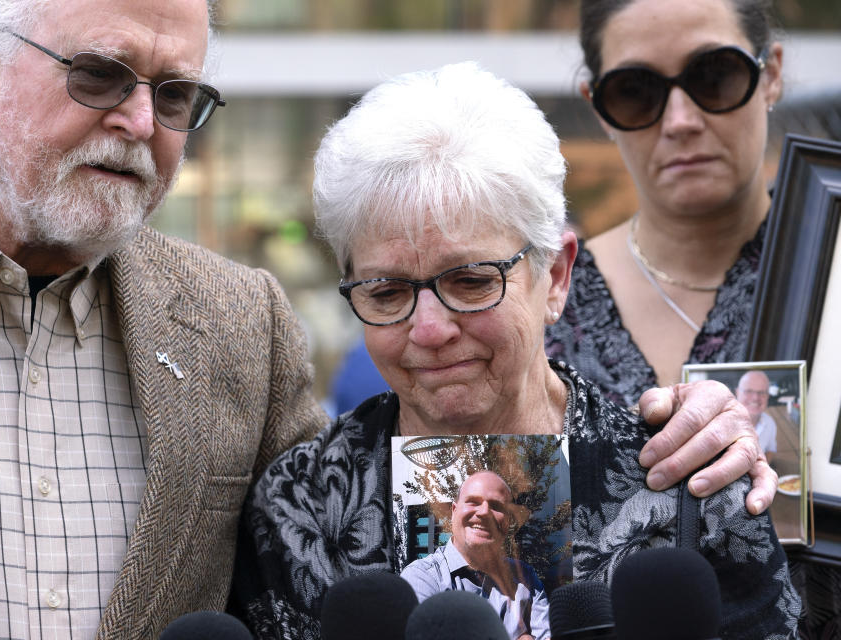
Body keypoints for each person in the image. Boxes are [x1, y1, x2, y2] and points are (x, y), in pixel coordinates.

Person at [231, 62, 799, 640]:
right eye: (387, 292)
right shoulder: (297, 504)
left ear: (554, 276)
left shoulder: (684, 482)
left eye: (472, 282)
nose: (429, 329)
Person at [0, 0, 329, 637]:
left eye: (175, 96)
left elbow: (331, 568)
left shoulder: (243, 324)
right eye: (97, 73)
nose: (141, 121)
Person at [545, 0, 783, 408]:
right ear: (599, 107)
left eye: (714, 76)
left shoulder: (826, 270)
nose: (680, 121)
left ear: (771, 76)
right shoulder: (548, 302)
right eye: (635, 92)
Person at [400, 471, 550, 640]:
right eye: (473, 502)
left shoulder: (526, 578)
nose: (484, 512)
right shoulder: (422, 579)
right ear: (454, 512)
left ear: (507, 522)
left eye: (497, 506)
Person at [737, 370, 777, 461]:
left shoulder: (769, 423)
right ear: (737, 392)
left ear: (768, 396)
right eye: (749, 391)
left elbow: (771, 449)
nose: (755, 398)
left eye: (762, 392)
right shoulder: (723, 424)